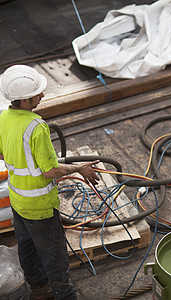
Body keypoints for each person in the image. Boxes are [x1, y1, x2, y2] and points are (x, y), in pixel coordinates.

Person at [0, 65, 100, 300]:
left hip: (18, 200)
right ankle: (65, 295)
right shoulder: (36, 127)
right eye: (37, 93)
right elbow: (50, 171)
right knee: (55, 257)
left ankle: (38, 287)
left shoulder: (4, 117)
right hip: (39, 206)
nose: (42, 95)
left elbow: (4, 154)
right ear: (24, 100)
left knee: (26, 246)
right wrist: (80, 168)